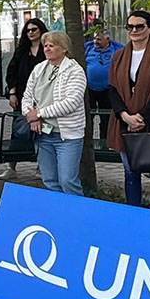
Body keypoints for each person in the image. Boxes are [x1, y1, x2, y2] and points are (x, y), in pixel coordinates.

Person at [109, 10, 150, 211]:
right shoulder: (119, 55)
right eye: (130, 26)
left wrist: (142, 118)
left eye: (140, 26)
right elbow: (112, 89)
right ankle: (133, 215)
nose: (134, 30)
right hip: (124, 122)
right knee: (130, 172)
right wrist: (125, 116)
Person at [21, 32, 87, 195]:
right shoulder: (39, 69)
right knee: (50, 181)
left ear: (64, 48)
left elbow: (71, 103)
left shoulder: (75, 71)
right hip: (43, 135)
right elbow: (27, 96)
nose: (47, 48)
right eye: (45, 45)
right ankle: (58, 218)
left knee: (68, 182)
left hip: (67, 137)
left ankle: (79, 217)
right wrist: (31, 117)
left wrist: (40, 114)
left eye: (52, 45)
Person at [5, 18, 49, 150]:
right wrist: (12, 93)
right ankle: (11, 164)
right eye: (28, 30)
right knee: (19, 129)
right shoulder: (21, 51)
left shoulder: (47, 49)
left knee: (44, 129)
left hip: (44, 96)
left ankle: (40, 164)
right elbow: (11, 72)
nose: (31, 32)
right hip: (23, 95)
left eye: (34, 29)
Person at [84, 28, 122, 141]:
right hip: (90, 88)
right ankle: (88, 142)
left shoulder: (116, 49)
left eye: (99, 39)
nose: (96, 41)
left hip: (107, 89)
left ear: (107, 39)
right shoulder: (88, 48)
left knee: (106, 117)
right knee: (88, 116)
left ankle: (105, 141)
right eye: (95, 38)